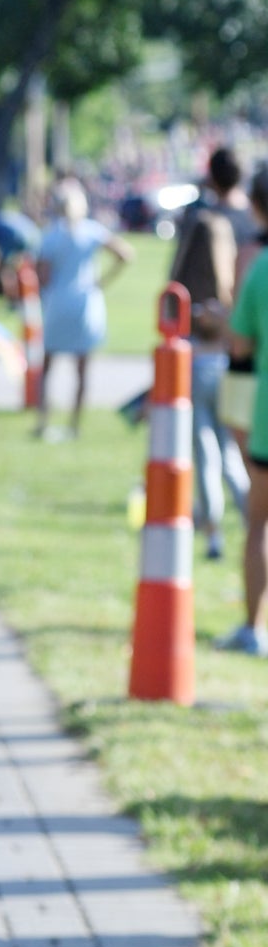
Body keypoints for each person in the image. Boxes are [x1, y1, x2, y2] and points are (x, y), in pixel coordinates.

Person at [174, 148, 249, 561]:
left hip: (198, 358)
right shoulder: (248, 228)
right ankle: (253, 523)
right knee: (232, 453)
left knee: (205, 452)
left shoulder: (200, 225)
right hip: (232, 361)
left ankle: (214, 532)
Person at [35, 179, 132, 436]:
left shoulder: (51, 235)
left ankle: (43, 421)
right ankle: (74, 425)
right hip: (85, 304)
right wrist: (102, 282)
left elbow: (42, 276)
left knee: (47, 368)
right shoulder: (91, 231)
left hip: (57, 304)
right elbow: (125, 254)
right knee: (81, 371)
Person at [217, 166, 268, 655]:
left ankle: (255, 629)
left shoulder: (260, 268)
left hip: (265, 418)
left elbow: (241, 344)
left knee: (260, 525)